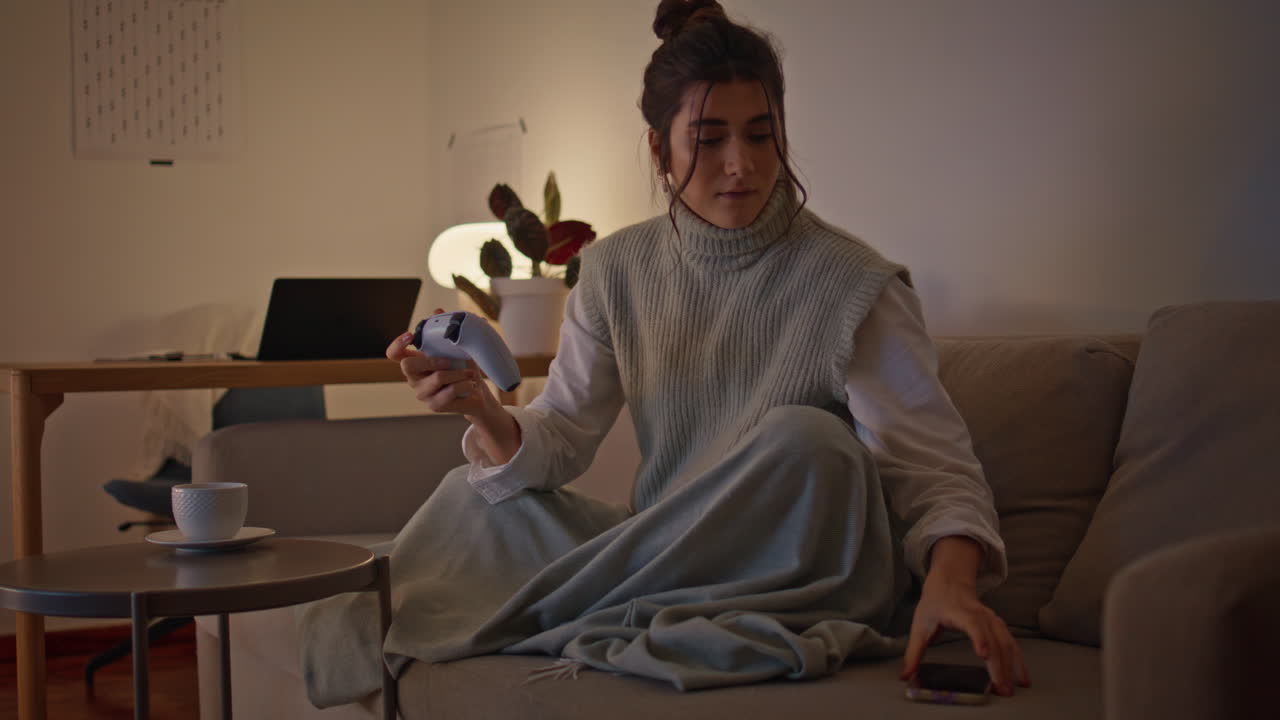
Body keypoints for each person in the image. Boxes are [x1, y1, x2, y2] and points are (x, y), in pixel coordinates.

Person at [301, 0, 1030, 706]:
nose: (740, 164)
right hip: (665, 547)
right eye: (709, 139)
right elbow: (559, 439)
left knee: (808, 440)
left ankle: (587, 599)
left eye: (761, 134)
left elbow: (934, 470)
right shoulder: (615, 272)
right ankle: (629, 595)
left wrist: (950, 583)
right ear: (660, 146)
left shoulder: (854, 284)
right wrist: (484, 410)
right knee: (471, 495)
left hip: (801, 564)